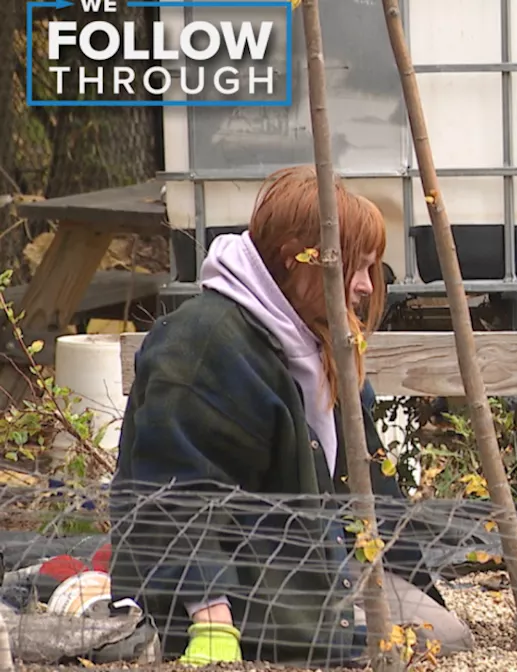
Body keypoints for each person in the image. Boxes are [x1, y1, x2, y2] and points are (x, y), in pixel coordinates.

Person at [108, 166, 475, 666]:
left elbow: (368, 484)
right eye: (355, 267)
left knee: (442, 634)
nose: (367, 287)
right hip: (244, 593)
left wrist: (412, 580)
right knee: (408, 642)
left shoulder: (316, 338)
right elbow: (175, 494)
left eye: (373, 269)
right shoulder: (203, 343)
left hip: (314, 569)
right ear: (294, 260)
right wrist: (213, 625)